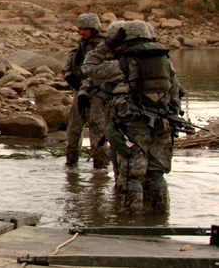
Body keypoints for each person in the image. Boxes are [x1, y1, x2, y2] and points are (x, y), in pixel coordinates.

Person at [91, 21, 181, 214]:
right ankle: (160, 222)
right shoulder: (167, 63)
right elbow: (175, 99)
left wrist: (106, 45)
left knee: (132, 178)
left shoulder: (123, 65)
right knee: (156, 176)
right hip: (162, 127)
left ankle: (131, 224)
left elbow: (89, 68)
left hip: (133, 130)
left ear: (126, 40)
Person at [81, 20, 126, 183]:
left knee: (120, 157)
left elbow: (88, 68)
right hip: (141, 121)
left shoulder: (119, 65)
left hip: (122, 116)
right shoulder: (158, 64)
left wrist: (106, 45)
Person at [62, 13, 108, 167]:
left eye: (85, 29)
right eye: (80, 29)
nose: (82, 32)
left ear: (94, 29)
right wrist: (69, 75)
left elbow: (102, 70)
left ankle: (100, 169)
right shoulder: (81, 44)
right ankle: (71, 164)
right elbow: (70, 61)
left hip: (96, 93)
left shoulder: (103, 46)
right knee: (73, 129)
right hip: (79, 90)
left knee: (98, 130)